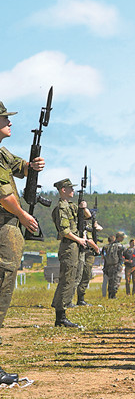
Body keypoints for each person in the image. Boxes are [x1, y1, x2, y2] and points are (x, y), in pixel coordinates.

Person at [0, 100, 45, 333]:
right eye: (5, 118)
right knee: (4, 279)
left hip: (8, 223)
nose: (9, 122)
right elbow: (4, 196)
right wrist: (23, 216)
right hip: (4, 223)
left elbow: (20, 166)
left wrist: (32, 165)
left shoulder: (2, 153)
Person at [50, 179, 83, 327]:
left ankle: (61, 313)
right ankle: (60, 317)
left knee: (71, 278)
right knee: (67, 279)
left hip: (73, 245)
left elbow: (87, 216)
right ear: (63, 190)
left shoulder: (71, 206)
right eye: (70, 188)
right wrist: (79, 240)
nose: (73, 191)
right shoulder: (61, 208)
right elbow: (64, 231)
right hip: (69, 246)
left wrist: (84, 207)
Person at [75, 198, 100, 306]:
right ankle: (80, 299)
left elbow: (99, 228)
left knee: (84, 276)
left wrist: (95, 226)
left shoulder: (86, 225)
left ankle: (80, 298)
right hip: (87, 252)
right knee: (85, 275)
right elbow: (89, 240)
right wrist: (96, 248)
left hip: (86, 252)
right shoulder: (83, 226)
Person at [103, 232, 125, 298]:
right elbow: (120, 257)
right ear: (119, 237)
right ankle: (113, 295)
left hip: (109, 265)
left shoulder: (109, 246)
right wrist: (121, 265)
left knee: (110, 281)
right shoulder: (119, 246)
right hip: (116, 265)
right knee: (116, 280)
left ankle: (110, 295)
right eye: (122, 237)